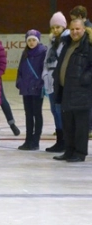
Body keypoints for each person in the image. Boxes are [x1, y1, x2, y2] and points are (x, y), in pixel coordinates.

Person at [52, 19, 92, 162]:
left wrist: (84, 79)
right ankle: (69, 151)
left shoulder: (88, 45)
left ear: (83, 29)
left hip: (81, 92)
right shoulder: (67, 44)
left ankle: (80, 153)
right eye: (73, 29)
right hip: (66, 90)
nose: (75, 32)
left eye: (78, 29)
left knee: (80, 126)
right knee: (68, 124)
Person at [42, 11, 69, 152]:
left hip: (60, 80)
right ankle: (59, 140)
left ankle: (65, 140)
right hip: (50, 80)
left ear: (63, 27)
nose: (55, 30)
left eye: (58, 27)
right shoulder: (52, 42)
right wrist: (45, 75)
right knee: (54, 110)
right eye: (53, 27)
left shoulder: (66, 41)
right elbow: (46, 61)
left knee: (59, 110)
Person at [16, 30, 47, 150]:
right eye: (29, 40)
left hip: (37, 88)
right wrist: (19, 82)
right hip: (26, 88)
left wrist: (40, 83)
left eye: (34, 40)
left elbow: (44, 69)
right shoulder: (25, 53)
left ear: (38, 41)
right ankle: (28, 139)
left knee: (37, 113)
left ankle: (35, 140)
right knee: (28, 114)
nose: (31, 42)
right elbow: (20, 69)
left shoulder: (43, 52)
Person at [69, 5, 92, 137]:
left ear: (82, 18)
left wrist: (86, 76)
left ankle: (89, 127)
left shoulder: (88, 33)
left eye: (75, 19)